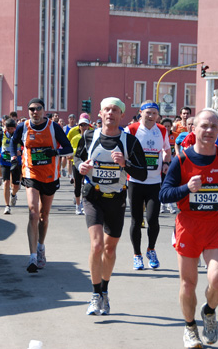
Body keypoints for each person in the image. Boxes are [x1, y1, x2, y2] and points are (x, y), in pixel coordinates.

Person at [159, 109, 218, 348]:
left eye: (214, 127)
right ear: (193, 130)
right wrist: (186, 188)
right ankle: (190, 327)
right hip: (189, 228)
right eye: (204, 126)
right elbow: (164, 194)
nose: (208, 131)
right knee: (188, 284)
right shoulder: (181, 160)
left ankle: (209, 311)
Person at [74, 97, 147, 316]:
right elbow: (76, 159)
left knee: (109, 249)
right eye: (106, 109)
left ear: (121, 115)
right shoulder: (89, 136)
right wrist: (81, 167)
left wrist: (125, 164)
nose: (110, 113)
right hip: (93, 196)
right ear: (100, 113)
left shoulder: (130, 142)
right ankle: (95, 295)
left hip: (116, 198)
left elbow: (142, 173)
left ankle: (104, 290)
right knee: (97, 246)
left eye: (115, 110)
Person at [10, 98, 73, 273]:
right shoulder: (23, 126)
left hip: (50, 176)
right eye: (31, 109)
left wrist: (55, 152)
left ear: (44, 110)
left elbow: (69, 149)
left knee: (44, 216)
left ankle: (40, 247)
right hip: (31, 173)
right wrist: (14, 156)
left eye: (38, 109)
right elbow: (13, 141)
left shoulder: (54, 127)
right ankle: (32, 258)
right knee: (33, 212)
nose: (34, 112)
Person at [125, 101, 171, 270]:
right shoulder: (131, 129)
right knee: (136, 221)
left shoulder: (162, 130)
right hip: (135, 181)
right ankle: (137, 255)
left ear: (157, 115)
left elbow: (167, 149)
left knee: (153, 219)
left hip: (154, 182)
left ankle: (151, 249)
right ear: (141, 113)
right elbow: (122, 149)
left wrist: (167, 161)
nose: (151, 116)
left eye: (154, 113)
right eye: (148, 113)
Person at [0, 118, 22, 214]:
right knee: (6, 182)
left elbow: (25, 145)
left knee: (16, 186)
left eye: (12, 129)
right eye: (8, 128)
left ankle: (13, 195)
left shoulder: (19, 135)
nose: (10, 130)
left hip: (16, 162)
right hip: (5, 160)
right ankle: (7, 206)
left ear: (15, 128)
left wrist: (20, 151)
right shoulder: (1, 133)